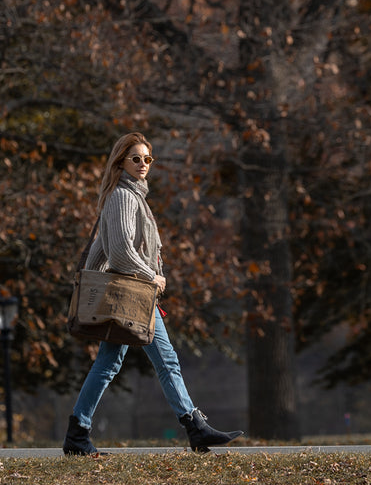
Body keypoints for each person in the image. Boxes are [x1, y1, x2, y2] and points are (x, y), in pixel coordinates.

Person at [63, 132, 243, 455]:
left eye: (148, 159)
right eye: (136, 158)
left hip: (132, 295)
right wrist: (152, 277)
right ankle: (194, 426)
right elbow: (119, 252)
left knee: (112, 363)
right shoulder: (122, 197)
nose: (143, 164)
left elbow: (110, 250)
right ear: (121, 162)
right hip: (130, 295)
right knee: (164, 361)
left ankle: (78, 432)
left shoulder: (133, 197)